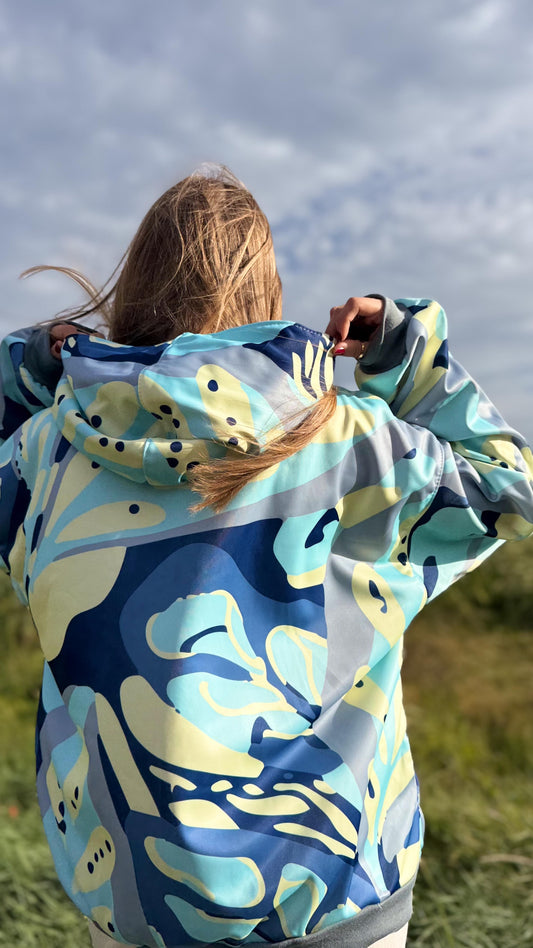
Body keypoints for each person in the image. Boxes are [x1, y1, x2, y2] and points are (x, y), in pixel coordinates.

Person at [0, 167, 531, 948]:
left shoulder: (41, 458)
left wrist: (29, 368)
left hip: (135, 911)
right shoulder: (353, 442)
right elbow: (508, 491)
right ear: (265, 291)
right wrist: (404, 350)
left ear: (134, 281)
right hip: (339, 903)